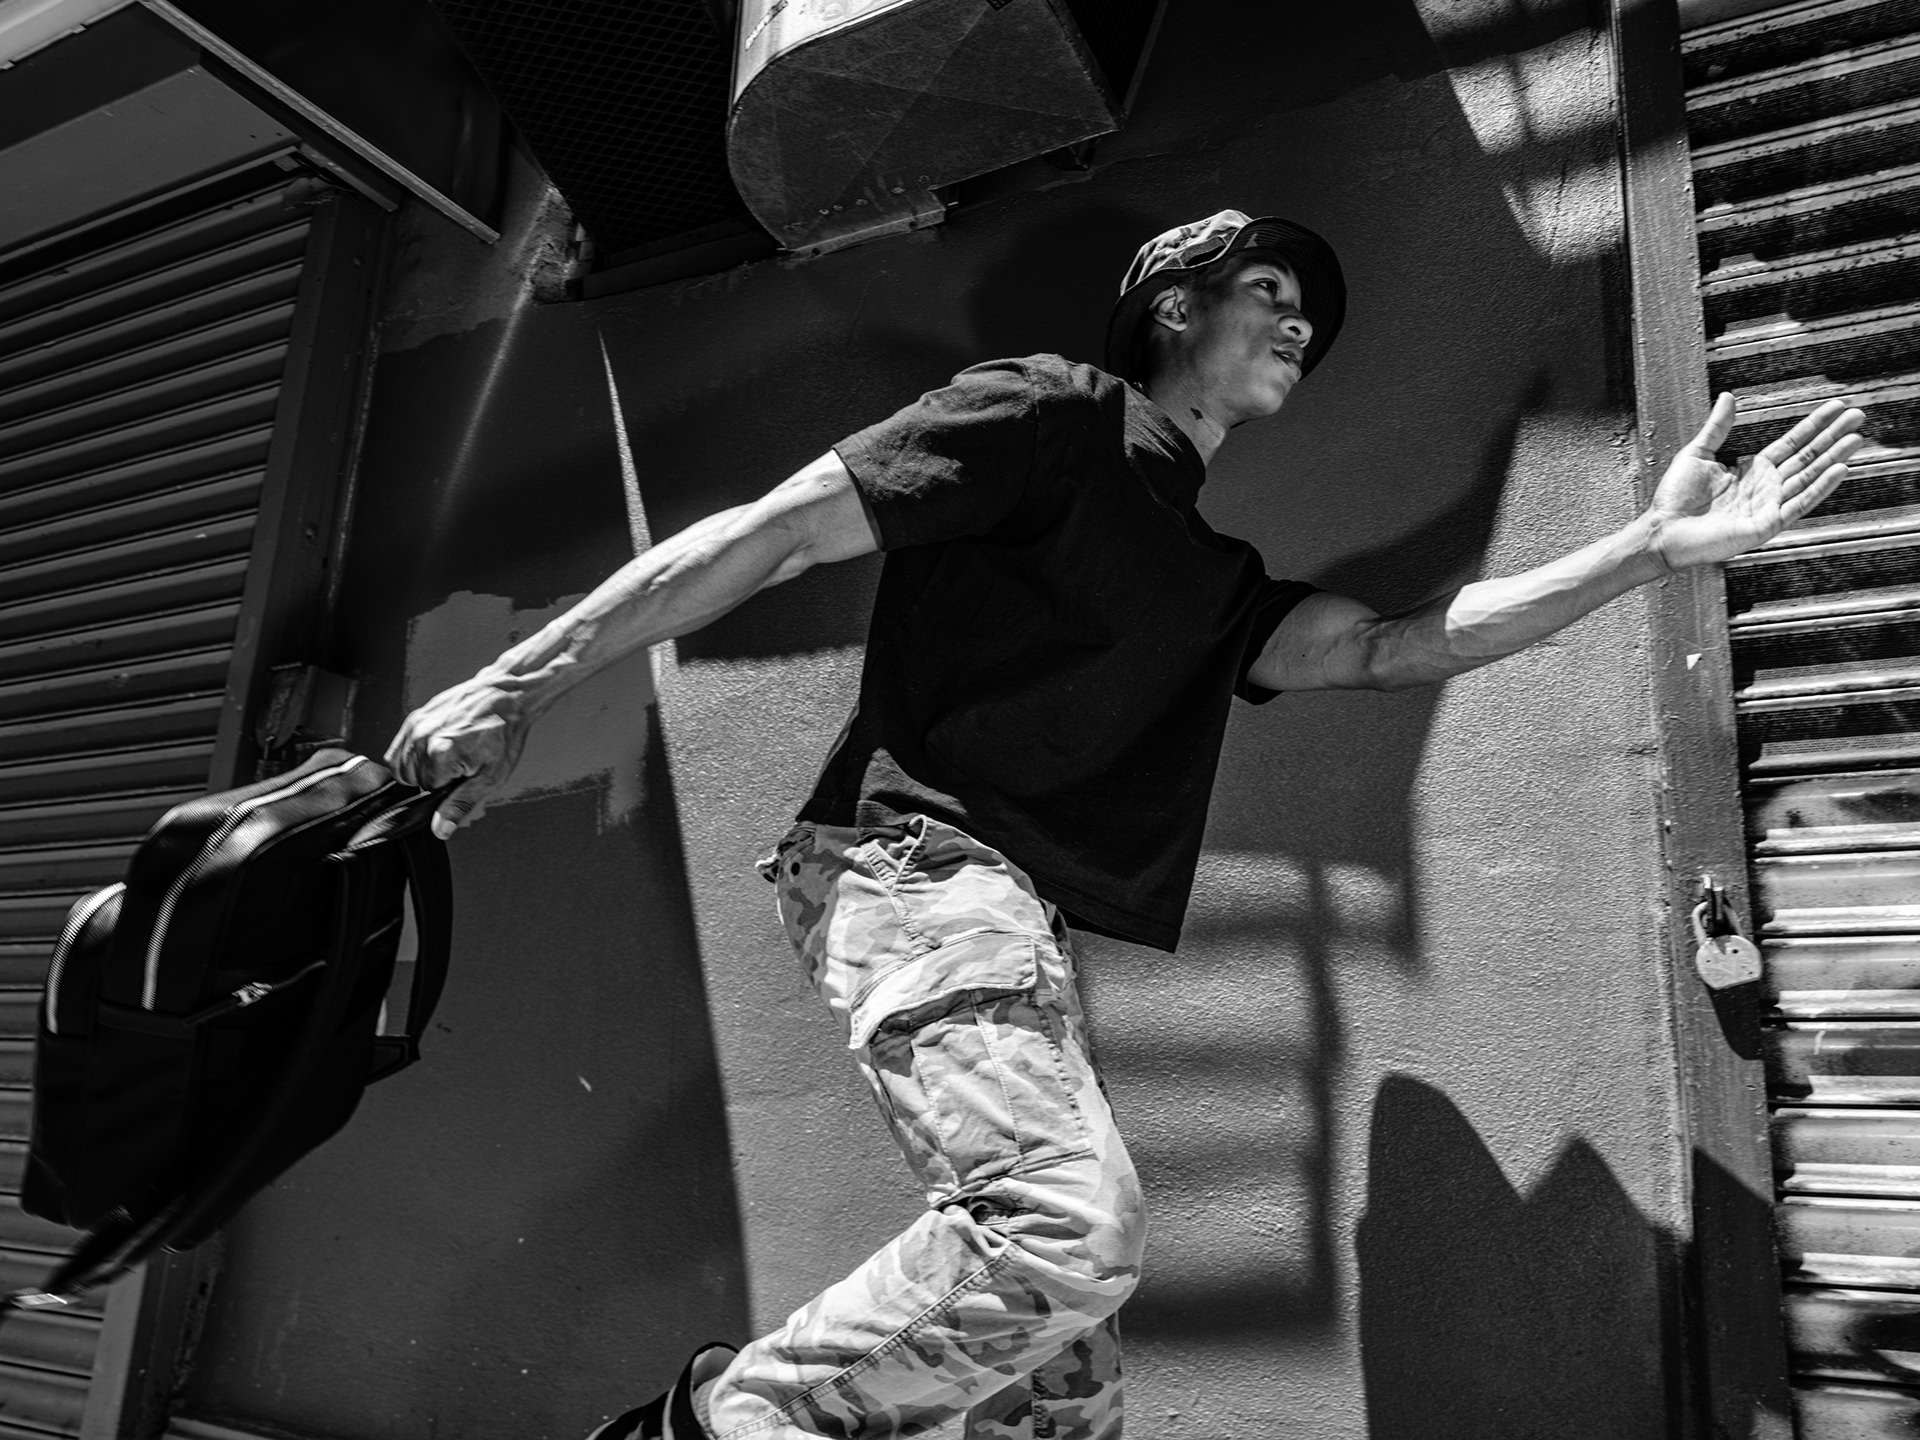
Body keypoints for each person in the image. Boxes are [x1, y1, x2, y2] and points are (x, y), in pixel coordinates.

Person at [385, 210, 1864, 1440]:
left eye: (1309, 315)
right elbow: (772, 536)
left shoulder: (1214, 582)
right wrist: (517, 680)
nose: (1299, 323)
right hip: (909, 869)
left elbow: (1394, 645)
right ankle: (723, 1426)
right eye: (1269, 289)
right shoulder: (1046, 413)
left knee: (1066, 1375)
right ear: (1172, 304)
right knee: (1063, 1228)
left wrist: (1649, 549)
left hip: (1008, 920)